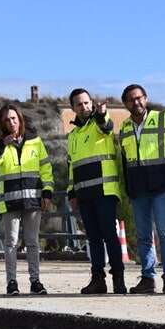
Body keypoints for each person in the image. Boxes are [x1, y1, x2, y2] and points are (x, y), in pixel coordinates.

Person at [118, 84, 165, 294]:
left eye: (138, 98)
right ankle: (148, 278)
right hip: (138, 190)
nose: (135, 102)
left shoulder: (163, 119)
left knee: (164, 232)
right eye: (130, 99)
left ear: (145, 98)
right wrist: (129, 189)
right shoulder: (125, 128)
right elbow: (124, 162)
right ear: (126, 104)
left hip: (161, 186)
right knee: (143, 235)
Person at [0, 104, 53, 295]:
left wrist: (47, 192)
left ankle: (36, 281)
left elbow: (46, 169)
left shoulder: (36, 142)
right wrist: (1, 144)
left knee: (32, 242)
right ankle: (12, 282)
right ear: (2, 123)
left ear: (20, 119)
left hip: (33, 200)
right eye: (7, 120)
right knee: (11, 242)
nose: (11, 122)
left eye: (14, 118)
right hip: (10, 201)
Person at [65, 88, 126, 294]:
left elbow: (106, 125)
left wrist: (100, 114)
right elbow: (71, 166)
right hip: (84, 193)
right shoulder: (72, 135)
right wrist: (71, 192)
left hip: (105, 190)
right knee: (93, 238)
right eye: (79, 104)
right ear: (73, 108)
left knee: (110, 235)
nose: (84, 107)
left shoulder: (99, 124)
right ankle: (98, 279)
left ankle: (119, 279)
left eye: (87, 103)